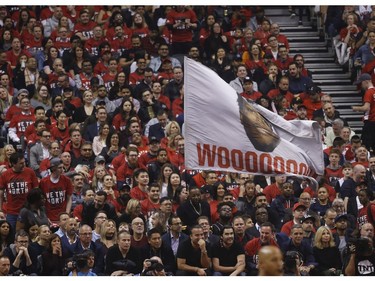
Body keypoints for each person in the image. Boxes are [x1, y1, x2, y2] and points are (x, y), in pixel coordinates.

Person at [0, 152, 39, 230]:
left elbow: (36, 191)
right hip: (12, 212)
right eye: (21, 163)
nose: (24, 165)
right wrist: (0, 209)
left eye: (24, 162)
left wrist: (36, 208)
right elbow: (1, 192)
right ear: (13, 164)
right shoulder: (5, 175)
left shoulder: (30, 172)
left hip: (28, 210)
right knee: (12, 235)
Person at [352, 73, 375, 152]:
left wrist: (355, 108)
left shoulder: (368, 92)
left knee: (365, 145)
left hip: (370, 121)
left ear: (365, 82)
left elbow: (366, 107)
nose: (361, 86)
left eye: (361, 83)